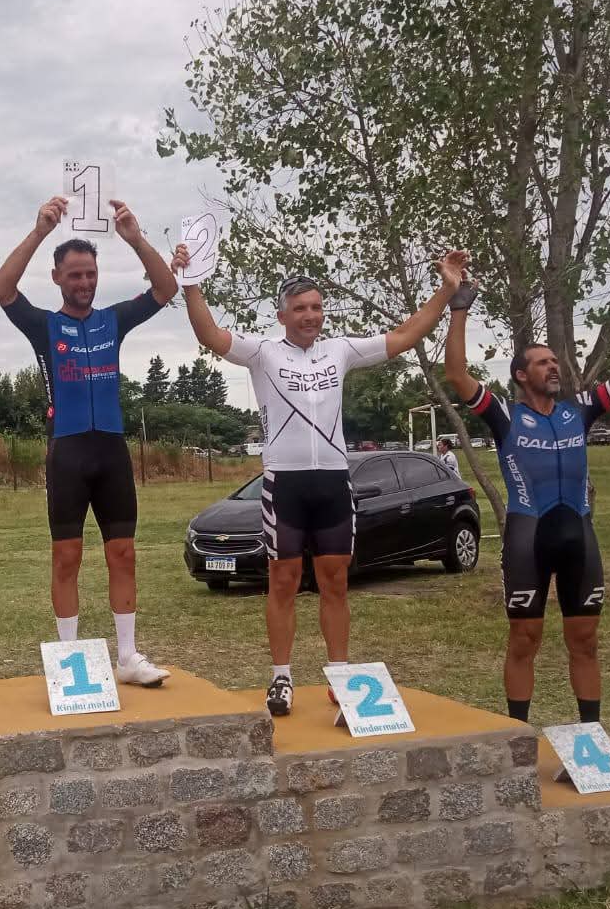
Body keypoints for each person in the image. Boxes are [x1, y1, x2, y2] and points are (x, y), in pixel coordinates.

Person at [174, 251, 468, 717]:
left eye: (316, 307)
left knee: (335, 582)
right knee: (283, 583)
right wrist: (191, 282)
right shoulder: (262, 352)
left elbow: (406, 335)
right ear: (282, 316)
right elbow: (210, 335)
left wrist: (447, 289)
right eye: (300, 308)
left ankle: (341, 676)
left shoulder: (340, 350)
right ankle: (281, 677)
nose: (310, 315)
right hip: (285, 485)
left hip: (333, 483)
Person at [444, 272, 610, 728]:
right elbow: (457, 374)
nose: (554, 367)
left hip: (579, 535)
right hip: (529, 537)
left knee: (585, 641)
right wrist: (459, 308)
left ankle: (592, 737)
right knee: (525, 640)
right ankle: (519, 737)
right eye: (543, 363)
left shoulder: (579, 410)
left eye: (555, 361)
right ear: (521, 375)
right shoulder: (505, 415)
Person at [0, 195, 179, 686]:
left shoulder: (112, 320)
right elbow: (2, 287)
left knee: (123, 553)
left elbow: (165, 288)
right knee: (67, 556)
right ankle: (70, 660)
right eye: (74, 274)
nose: (84, 282)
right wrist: (39, 231)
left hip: (111, 451)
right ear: (57, 277)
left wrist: (134, 237)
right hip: (68, 453)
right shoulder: (44, 326)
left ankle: (128, 657)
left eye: (90, 274)